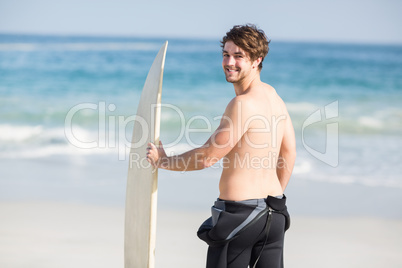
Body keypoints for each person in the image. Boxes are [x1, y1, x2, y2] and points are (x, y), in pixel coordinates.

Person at [146, 24, 296, 268]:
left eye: (239, 56)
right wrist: (274, 197)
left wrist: (163, 161)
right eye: (226, 54)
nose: (229, 62)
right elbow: (289, 152)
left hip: (239, 217)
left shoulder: (242, 104)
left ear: (257, 60)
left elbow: (207, 157)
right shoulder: (273, 97)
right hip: (274, 214)